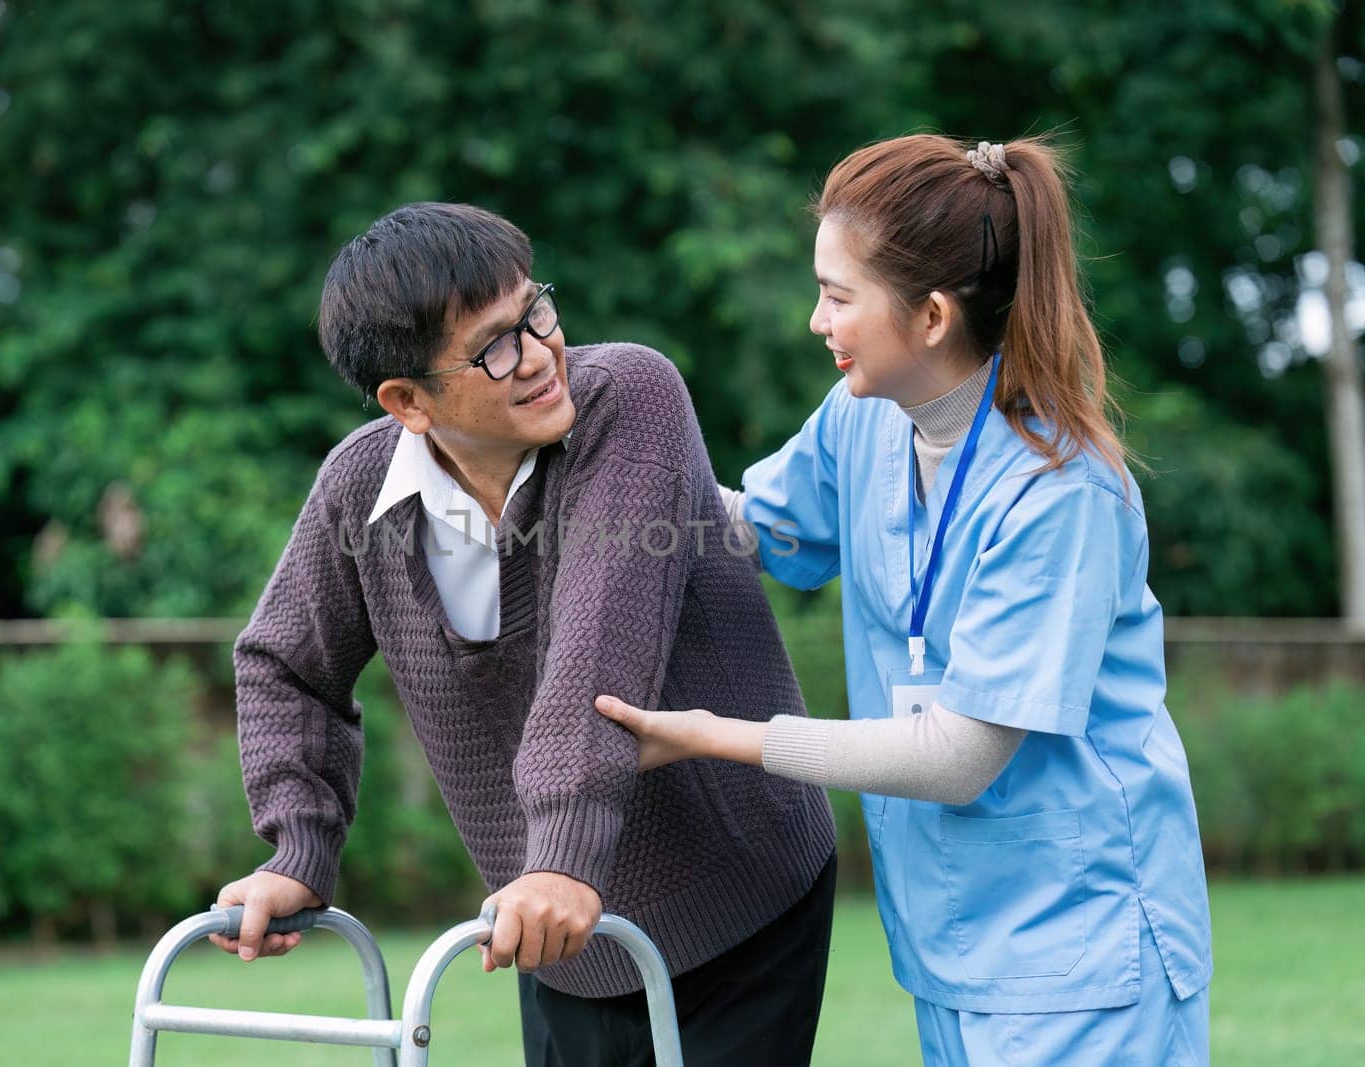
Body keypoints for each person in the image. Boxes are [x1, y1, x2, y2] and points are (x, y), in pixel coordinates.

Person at [596, 135, 1213, 1065]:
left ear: (929, 315)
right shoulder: (864, 419)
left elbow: (961, 756)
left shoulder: (1063, 495)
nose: (817, 321)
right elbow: (747, 529)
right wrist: (575, 488)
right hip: (952, 947)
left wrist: (708, 734)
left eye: (839, 296)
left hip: (1085, 954)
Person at [211, 202, 838, 1066]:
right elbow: (284, 663)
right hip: (554, 925)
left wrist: (561, 858)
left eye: (534, 310)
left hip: (735, 894)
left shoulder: (629, 396)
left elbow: (596, 642)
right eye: (494, 346)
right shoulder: (359, 491)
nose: (542, 353)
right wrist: (299, 845)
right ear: (407, 400)